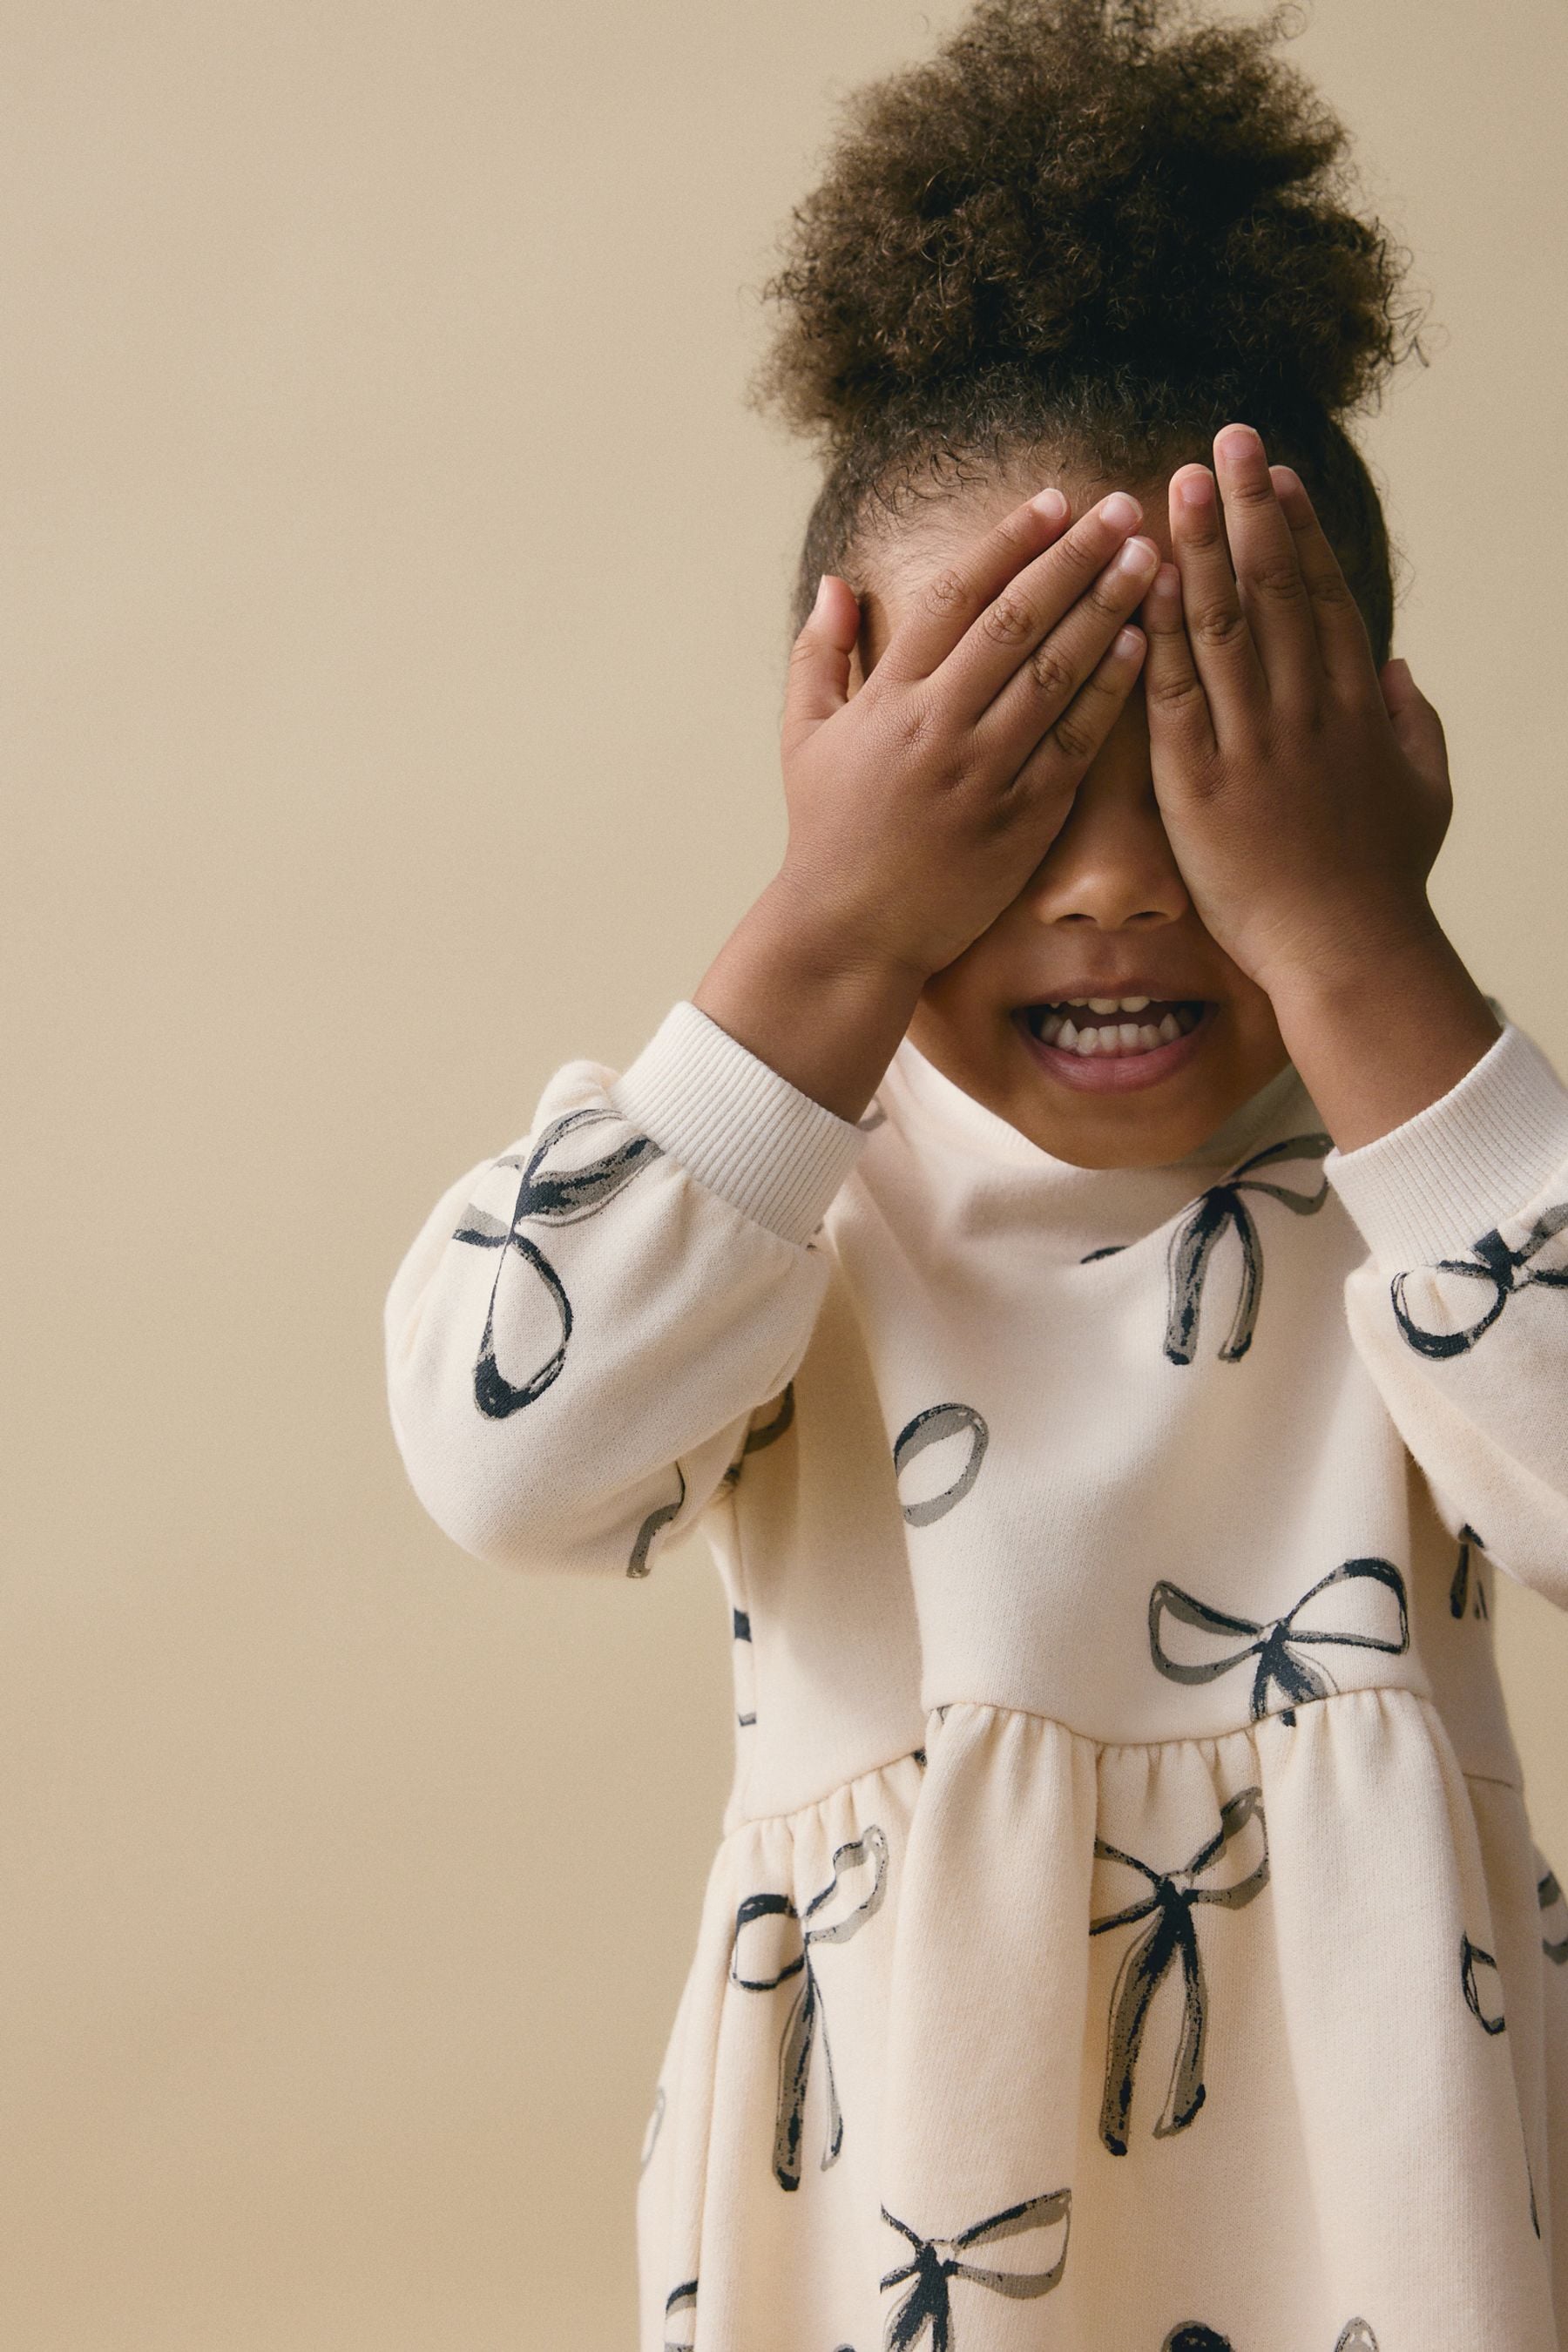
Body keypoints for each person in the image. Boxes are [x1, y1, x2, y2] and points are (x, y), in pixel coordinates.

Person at [382, 2, 1568, 2342]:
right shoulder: (765, 1209)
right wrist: (817, 941)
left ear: (1368, 749)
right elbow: (503, 1462)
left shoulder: (1433, 1196)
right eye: (1005, 785)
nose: (1118, 888)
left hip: (1401, 2218)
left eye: (1209, 767)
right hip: (888, 2206)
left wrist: (1354, 939)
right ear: (835, 749)